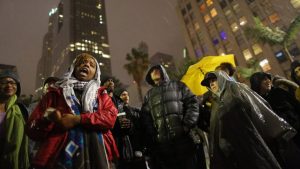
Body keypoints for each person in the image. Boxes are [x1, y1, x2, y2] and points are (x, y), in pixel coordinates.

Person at [26, 53, 119, 169]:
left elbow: (110, 118)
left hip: (98, 153)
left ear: (96, 73)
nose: (86, 64)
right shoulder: (54, 94)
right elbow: (32, 129)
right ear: (73, 68)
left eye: (91, 65)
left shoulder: (102, 95)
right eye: (81, 62)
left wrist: (78, 119)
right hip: (59, 156)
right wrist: (46, 119)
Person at [201, 70, 296, 169]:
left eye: (213, 80)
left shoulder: (237, 88)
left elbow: (259, 108)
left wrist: (278, 129)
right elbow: (216, 131)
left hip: (253, 139)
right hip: (237, 149)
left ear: (221, 78)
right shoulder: (216, 104)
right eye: (209, 82)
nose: (211, 83)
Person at [141, 65, 200, 169]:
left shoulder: (179, 85)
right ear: (149, 76)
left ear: (163, 71)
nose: (155, 71)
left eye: (157, 69)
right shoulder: (148, 95)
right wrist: (154, 135)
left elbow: (193, 103)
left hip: (184, 141)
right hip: (164, 147)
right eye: (152, 71)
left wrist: (187, 125)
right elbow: (146, 118)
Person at [0, 70, 30, 169]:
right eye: (4, 82)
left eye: (12, 82)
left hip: (12, 159)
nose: (9, 85)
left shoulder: (22, 109)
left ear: (17, 87)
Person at [113, 88, 146, 169]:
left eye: (127, 94)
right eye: (123, 95)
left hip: (137, 148)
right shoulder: (116, 112)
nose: (126, 96)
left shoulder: (136, 111)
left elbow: (141, 130)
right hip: (124, 149)